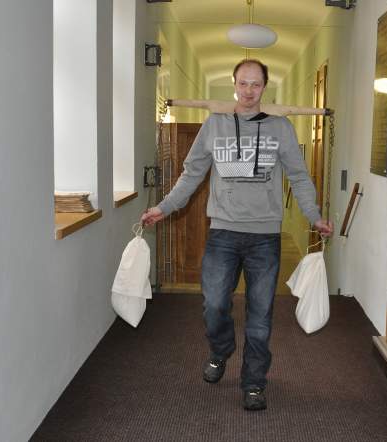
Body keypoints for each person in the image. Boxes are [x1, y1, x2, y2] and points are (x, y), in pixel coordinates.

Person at [140, 59, 333, 411]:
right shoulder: (214, 124)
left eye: (256, 84)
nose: (249, 91)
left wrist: (314, 216)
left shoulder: (280, 128)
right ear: (234, 85)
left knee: (260, 315)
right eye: (243, 83)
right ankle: (220, 350)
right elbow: (192, 173)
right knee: (214, 305)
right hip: (223, 233)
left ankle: (254, 382)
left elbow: (300, 177)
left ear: (264, 87)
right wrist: (164, 207)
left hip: (264, 236)